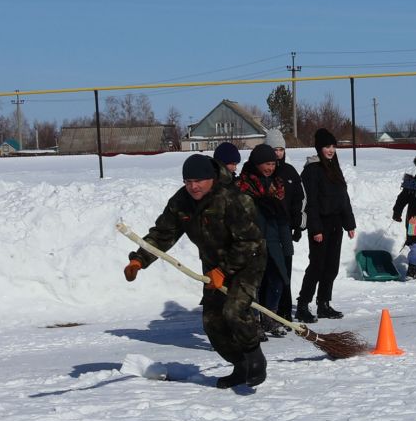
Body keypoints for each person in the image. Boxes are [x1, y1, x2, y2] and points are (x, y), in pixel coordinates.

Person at [125, 153, 268, 387]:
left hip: (247, 261)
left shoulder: (233, 199)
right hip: (212, 266)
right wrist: (139, 260)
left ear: (211, 178)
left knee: (234, 310)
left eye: (198, 181)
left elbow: (250, 242)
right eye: (188, 181)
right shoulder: (181, 201)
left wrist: (225, 270)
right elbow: (163, 233)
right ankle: (240, 365)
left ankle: (255, 358)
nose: (193, 187)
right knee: (212, 322)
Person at [237, 134, 303, 330]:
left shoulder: (277, 185)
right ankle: (254, 321)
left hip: (274, 241)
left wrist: (287, 244)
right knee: (255, 284)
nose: (270, 168)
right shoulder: (244, 186)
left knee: (278, 280)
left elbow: (282, 217)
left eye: (273, 164)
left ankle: (269, 316)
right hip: (252, 241)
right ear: (257, 164)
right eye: (266, 164)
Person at [296, 130, 357, 323]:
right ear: (319, 148)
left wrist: (349, 224)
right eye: (327, 146)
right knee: (317, 266)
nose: (331, 150)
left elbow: (343, 198)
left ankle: (323, 303)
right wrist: (316, 229)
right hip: (320, 225)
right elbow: (310, 202)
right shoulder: (312, 169)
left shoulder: (334, 166)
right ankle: (303, 305)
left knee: (331, 267)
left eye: (333, 146)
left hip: (336, 224)